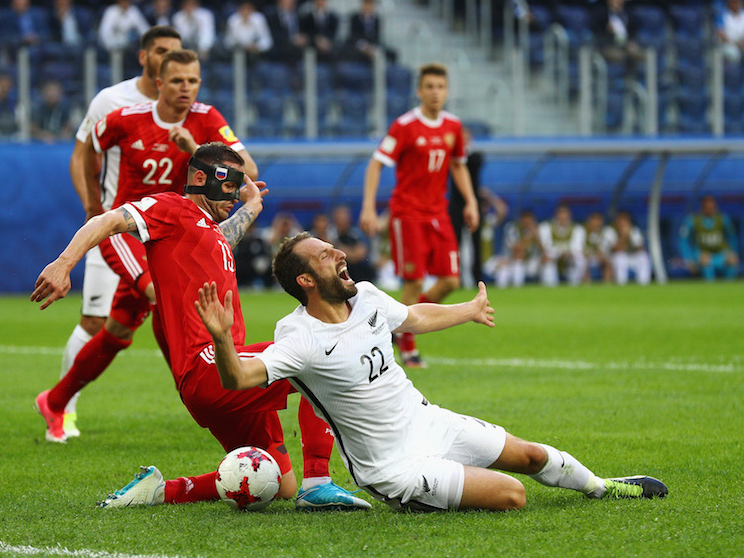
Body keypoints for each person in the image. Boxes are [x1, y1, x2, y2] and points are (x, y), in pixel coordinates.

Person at [194, 231, 669, 512]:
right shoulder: (298, 339)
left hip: (430, 422)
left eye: (334, 249)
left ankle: (602, 487)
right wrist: (220, 335)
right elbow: (239, 378)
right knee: (513, 495)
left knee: (528, 457)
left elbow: (413, 317)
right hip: (393, 467)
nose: (340, 255)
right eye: (325, 256)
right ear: (305, 281)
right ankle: (427, 491)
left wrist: (468, 309)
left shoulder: (366, 296)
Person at [32, 143, 371, 511]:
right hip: (209, 368)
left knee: (278, 482)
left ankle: (161, 490)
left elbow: (217, 239)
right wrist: (64, 263)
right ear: (199, 178)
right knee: (320, 354)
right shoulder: (171, 209)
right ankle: (319, 480)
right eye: (229, 186)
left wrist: (252, 207)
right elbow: (107, 220)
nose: (235, 194)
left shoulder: (205, 230)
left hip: (226, 375)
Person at [37, 48, 258, 443]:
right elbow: (85, 150)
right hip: (132, 231)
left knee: (118, 331)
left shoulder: (207, 119)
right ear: (159, 81)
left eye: (192, 80)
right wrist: (93, 203)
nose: (185, 88)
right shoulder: (123, 117)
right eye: (177, 80)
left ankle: (55, 401)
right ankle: (198, 390)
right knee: (163, 296)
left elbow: (248, 174)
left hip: (176, 236)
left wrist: (193, 147)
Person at [53, 26, 182, 439]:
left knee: (157, 318)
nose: (168, 60)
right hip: (117, 229)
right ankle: (63, 412)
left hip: (163, 235)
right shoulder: (112, 101)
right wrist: (94, 210)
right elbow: (81, 154)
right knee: (95, 320)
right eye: (161, 52)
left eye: (175, 54)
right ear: (144, 56)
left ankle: (206, 396)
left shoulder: (187, 106)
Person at [359, 63, 479, 369]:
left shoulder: (453, 126)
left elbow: (458, 165)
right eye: (429, 87)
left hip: (438, 212)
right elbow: (376, 164)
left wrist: (471, 201)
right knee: (413, 281)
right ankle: (409, 346)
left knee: (451, 280)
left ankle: (401, 322)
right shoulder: (404, 125)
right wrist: (369, 207)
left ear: (447, 90)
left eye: (440, 87)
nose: (435, 92)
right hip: (408, 213)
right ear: (419, 90)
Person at [449, 127, 484, 285]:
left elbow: (471, 163)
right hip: (456, 204)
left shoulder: (475, 156)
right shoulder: (452, 158)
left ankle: (478, 277)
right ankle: (457, 276)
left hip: (472, 202)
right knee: (456, 242)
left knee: (476, 242)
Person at [679, 194, 740, 280]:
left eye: (711, 207)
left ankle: (728, 290)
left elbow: (732, 238)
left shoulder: (723, 219)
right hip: (702, 254)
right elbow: (683, 241)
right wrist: (689, 259)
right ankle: (711, 289)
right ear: (702, 207)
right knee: (706, 265)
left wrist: (732, 253)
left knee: (732, 264)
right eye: (706, 207)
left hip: (721, 254)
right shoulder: (693, 220)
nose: (709, 209)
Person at [538, 204, 586, 287]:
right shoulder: (545, 227)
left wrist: (566, 253)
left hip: (569, 258)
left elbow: (577, 248)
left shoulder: (578, 229)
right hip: (551, 258)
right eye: (560, 215)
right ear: (556, 215)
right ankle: (551, 287)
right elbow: (546, 247)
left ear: (570, 216)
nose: (563, 218)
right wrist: (559, 253)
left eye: (565, 215)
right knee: (547, 261)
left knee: (580, 259)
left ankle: (574, 285)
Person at [495, 209, 541, 288]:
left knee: (548, 266)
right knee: (514, 266)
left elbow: (544, 250)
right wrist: (529, 237)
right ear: (521, 220)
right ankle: (515, 290)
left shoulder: (538, 229)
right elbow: (516, 249)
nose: (527, 223)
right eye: (525, 220)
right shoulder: (512, 228)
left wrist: (536, 237)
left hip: (531, 261)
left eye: (529, 220)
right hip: (510, 260)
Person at [332, 204, 377, 284]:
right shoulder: (331, 234)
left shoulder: (356, 233)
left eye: (344, 217)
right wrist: (351, 252)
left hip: (358, 271)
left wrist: (344, 251)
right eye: (340, 217)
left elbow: (361, 253)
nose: (342, 220)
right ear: (335, 219)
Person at [608, 211, 651, 285]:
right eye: (621, 220)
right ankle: (621, 284)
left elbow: (641, 247)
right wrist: (624, 236)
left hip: (631, 256)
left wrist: (631, 239)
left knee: (643, 256)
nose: (622, 223)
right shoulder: (610, 230)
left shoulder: (633, 230)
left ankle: (643, 284)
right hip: (614, 258)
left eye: (625, 220)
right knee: (620, 257)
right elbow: (615, 249)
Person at [583, 212, 613, 284]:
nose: (596, 223)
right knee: (582, 262)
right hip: (588, 257)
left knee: (608, 261)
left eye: (598, 221)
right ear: (589, 222)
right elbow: (580, 248)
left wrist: (602, 256)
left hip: (603, 257)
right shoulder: (583, 232)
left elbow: (612, 247)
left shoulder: (607, 232)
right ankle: (587, 285)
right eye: (593, 221)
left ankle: (607, 284)